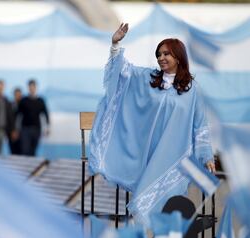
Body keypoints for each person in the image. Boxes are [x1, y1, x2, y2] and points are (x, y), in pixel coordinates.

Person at [89, 23, 215, 225]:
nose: (161, 58)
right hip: (144, 150)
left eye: (167, 54)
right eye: (159, 54)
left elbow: (199, 124)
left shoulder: (192, 90)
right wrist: (114, 44)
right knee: (141, 198)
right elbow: (122, 72)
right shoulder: (148, 78)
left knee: (166, 206)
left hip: (170, 154)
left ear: (179, 57)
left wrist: (206, 154)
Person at [16, 79, 50, 156]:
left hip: (36, 129)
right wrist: (16, 129)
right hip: (25, 129)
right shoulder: (24, 100)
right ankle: (25, 167)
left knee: (33, 151)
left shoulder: (40, 100)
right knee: (25, 150)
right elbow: (18, 115)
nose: (32, 89)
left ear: (36, 87)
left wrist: (47, 127)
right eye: (30, 87)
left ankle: (31, 166)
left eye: (33, 87)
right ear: (28, 88)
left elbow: (45, 114)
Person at [9, 87, 22, 155]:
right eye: (16, 94)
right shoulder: (11, 105)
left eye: (19, 95)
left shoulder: (24, 104)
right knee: (13, 152)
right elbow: (10, 119)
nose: (18, 96)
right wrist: (13, 130)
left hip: (22, 132)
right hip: (12, 131)